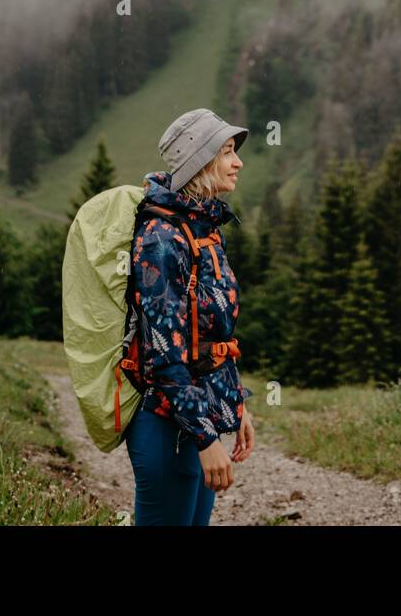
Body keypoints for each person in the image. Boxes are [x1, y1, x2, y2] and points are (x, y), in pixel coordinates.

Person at [125, 108, 256, 526]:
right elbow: (164, 356)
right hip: (167, 428)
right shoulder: (161, 239)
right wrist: (204, 437)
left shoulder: (204, 230)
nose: (238, 162)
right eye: (228, 152)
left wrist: (236, 405)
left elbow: (213, 336)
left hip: (195, 421)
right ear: (201, 160)